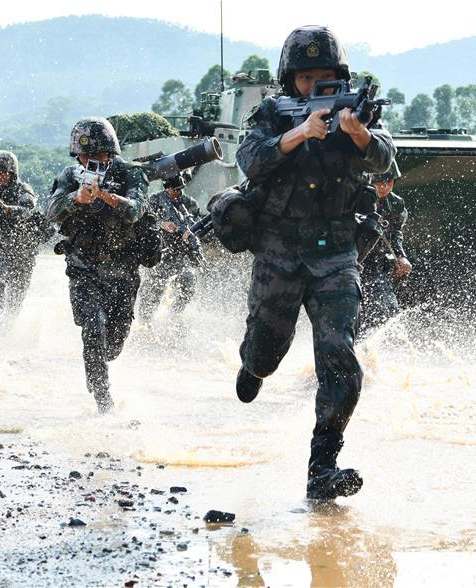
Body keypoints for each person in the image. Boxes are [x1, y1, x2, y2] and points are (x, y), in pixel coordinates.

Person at [231, 25, 395, 500]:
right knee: (267, 349)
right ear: (290, 80)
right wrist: (300, 132)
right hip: (278, 252)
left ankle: (322, 467)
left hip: (336, 254)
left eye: (325, 77)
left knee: (339, 356)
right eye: (306, 79)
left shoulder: (357, 114)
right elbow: (249, 160)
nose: (315, 86)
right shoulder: (271, 113)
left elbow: (385, 159)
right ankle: (252, 365)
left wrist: (357, 134)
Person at [46, 117, 155, 414]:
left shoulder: (131, 173)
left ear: (110, 153)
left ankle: (98, 370)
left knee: (113, 345)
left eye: (96, 157)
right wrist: (75, 197)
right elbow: (51, 212)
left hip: (123, 272)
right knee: (94, 326)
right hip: (84, 267)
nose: (90, 162)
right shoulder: (70, 176)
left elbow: (134, 211)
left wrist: (105, 196)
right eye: (84, 157)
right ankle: (103, 401)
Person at [0, 150, 39, 341]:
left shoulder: (23, 190)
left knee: (16, 297)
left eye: (2, 173)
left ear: (12, 173)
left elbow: (30, 211)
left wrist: (9, 209)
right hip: (0, 249)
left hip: (23, 252)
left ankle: (9, 329)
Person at [138, 172, 202, 322]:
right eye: (174, 190)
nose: (177, 193)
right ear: (167, 188)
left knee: (189, 281)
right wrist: (161, 224)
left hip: (182, 254)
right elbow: (140, 221)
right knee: (152, 289)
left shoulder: (189, 203)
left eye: (180, 189)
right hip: (160, 253)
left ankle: (175, 316)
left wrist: (191, 232)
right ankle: (145, 322)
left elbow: (199, 225)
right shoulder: (154, 200)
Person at [360, 160, 412, 331]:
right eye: (379, 182)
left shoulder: (396, 203)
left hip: (376, 264)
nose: (385, 186)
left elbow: (396, 232)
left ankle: (368, 349)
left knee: (388, 309)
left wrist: (401, 256)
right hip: (351, 262)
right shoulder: (354, 198)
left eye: (389, 182)